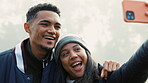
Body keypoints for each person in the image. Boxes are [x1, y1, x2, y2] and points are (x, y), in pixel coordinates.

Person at [0, 3, 120, 83]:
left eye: (57, 27)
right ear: (27, 28)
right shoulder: (4, 63)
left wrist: (108, 69)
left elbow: (88, 72)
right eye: (44, 24)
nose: (52, 31)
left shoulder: (61, 64)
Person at [53, 35, 148, 83]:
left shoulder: (106, 78)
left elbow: (137, 65)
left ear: (87, 54)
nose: (73, 55)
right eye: (65, 54)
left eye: (77, 49)